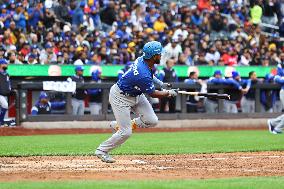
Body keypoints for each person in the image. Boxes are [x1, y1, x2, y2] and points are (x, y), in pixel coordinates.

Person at [95, 41, 177, 163]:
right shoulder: (142, 73)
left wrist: (161, 84)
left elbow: (150, 75)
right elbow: (153, 93)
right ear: (154, 56)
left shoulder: (143, 60)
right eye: (159, 54)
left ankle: (120, 124)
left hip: (136, 94)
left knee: (152, 121)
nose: (161, 56)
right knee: (126, 132)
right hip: (120, 97)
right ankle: (102, 150)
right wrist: (168, 93)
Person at [0, 59, 10, 126]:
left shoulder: (7, 73)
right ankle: (1, 121)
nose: (6, 65)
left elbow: (8, 83)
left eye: (6, 64)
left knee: (4, 106)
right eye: (5, 64)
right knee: (5, 105)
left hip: (5, 94)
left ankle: (1, 122)